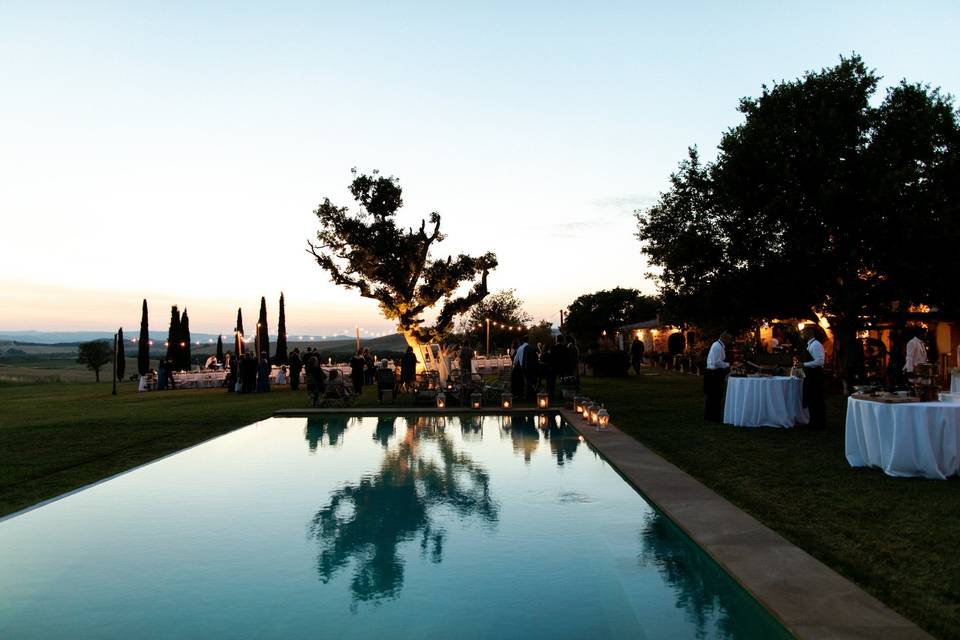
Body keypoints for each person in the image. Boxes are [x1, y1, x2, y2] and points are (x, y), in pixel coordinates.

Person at [799, 327, 826, 429]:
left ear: (808, 334)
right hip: (811, 375)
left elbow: (820, 361)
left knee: (816, 399)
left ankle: (818, 423)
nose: (802, 336)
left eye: (803, 333)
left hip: (816, 375)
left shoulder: (816, 345)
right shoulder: (809, 345)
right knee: (811, 399)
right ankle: (813, 421)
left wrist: (804, 364)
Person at [704, 332, 731, 422]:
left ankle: (712, 416)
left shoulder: (719, 345)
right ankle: (713, 417)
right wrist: (728, 365)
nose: (729, 341)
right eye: (729, 339)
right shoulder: (717, 346)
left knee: (714, 396)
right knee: (714, 396)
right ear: (725, 339)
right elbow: (717, 362)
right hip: (713, 374)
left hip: (714, 373)